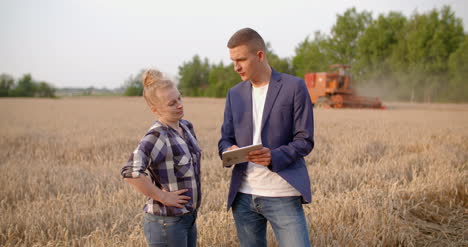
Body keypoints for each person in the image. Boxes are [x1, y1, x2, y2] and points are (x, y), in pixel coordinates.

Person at [218, 28, 314, 247]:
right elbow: (224, 139)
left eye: (241, 59)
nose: (236, 67)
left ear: (260, 55)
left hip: (283, 193)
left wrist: (273, 156)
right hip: (243, 196)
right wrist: (229, 150)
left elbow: (305, 139)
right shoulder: (234, 94)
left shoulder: (294, 87)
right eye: (233, 61)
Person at [121, 69, 201, 247]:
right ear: (155, 109)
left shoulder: (186, 126)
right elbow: (130, 172)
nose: (179, 105)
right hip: (167, 223)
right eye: (172, 103)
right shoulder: (157, 136)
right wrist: (163, 197)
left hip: (188, 218)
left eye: (179, 98)